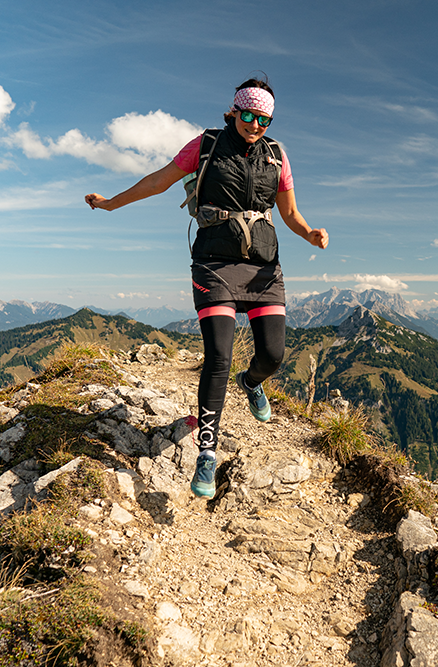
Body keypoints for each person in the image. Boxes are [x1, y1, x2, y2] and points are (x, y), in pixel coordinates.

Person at [85, 76, 328, 498]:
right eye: (248, 115)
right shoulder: (206, 145)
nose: (255, 124)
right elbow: (158, 181)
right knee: (218, 356)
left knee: (273, 354)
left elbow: (289, 211)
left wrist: (309, 234)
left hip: (264, 267)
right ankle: (207, 454)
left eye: (264, 119)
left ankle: (251, 383)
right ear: (234, 111)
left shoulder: (277, 156)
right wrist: (110, 203)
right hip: (214, 263)